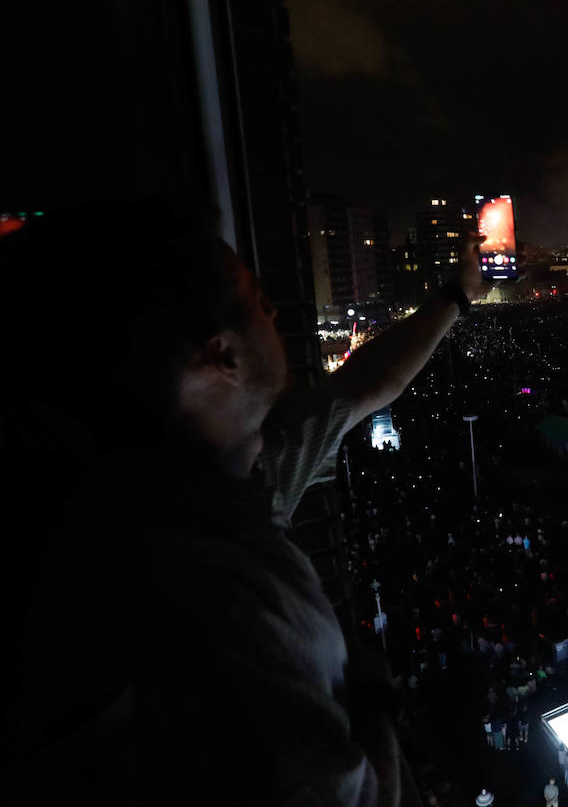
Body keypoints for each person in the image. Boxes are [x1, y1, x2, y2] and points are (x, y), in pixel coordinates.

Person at [2, 203, 484, 805]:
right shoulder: (207, 599)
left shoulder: (235, 475)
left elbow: (361, 386)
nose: (274, 312)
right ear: (223, 355)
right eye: (257, 300)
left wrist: (456, 298)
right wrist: (375, 700)